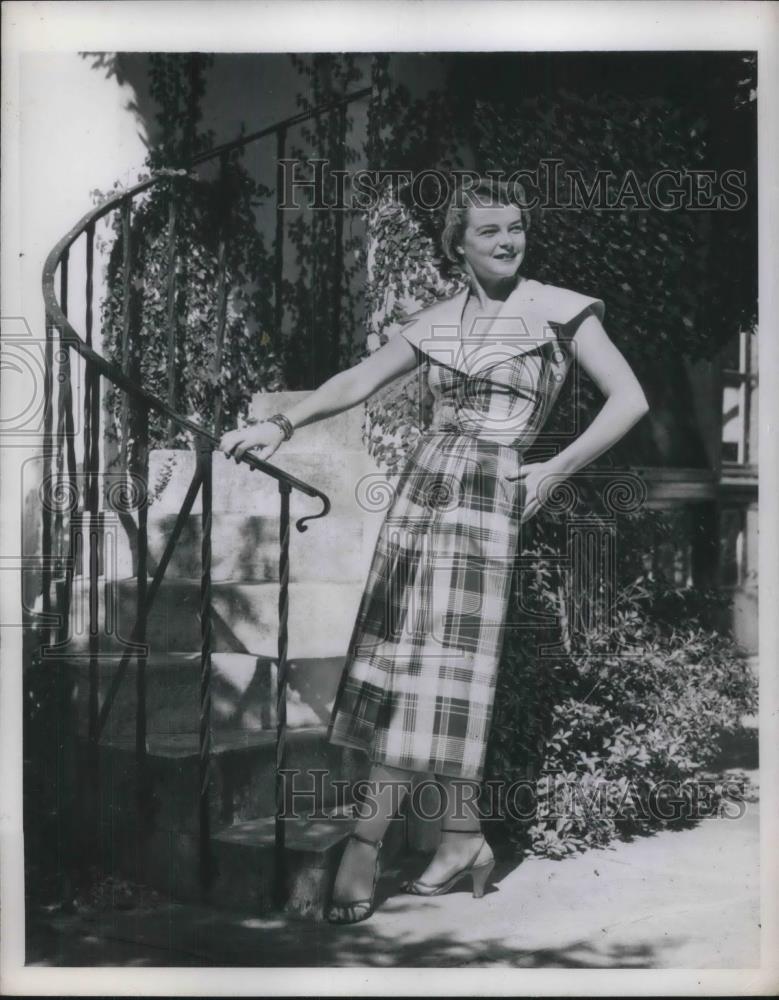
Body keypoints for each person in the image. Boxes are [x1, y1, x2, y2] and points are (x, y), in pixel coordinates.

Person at [219, 177, 650, 925]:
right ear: (458, 243)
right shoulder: (437, 320)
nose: (508, 241)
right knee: (400, 659)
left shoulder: (558, 309)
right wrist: (281, 427)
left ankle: (366, 838)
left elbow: (630, 399)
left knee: (441, 668)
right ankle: (460, 839)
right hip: (422, 489)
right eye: (489, 231)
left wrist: (551, 468)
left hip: (487, 496)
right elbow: (357, 380)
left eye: (516, 226)